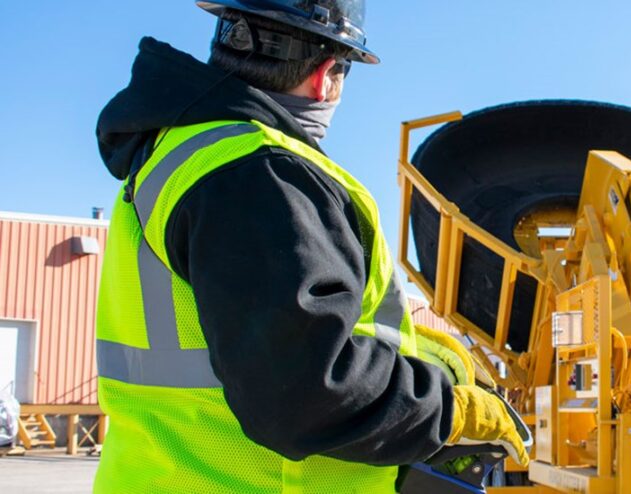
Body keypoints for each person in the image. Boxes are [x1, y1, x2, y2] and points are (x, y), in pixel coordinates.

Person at [93, 1, 526, 492]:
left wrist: (425, 354)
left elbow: (259, 328)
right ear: (325, 76)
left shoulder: (182, 156)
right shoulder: (262, 174)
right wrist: (451, 411)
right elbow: (306, 391)